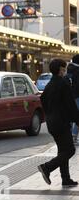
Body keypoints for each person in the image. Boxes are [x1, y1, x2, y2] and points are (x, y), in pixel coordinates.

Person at [38, 59, 79, 187]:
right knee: (70, 150)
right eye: (64, 68)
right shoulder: (63, 83)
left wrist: (50, 114)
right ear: (60, 69)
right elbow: (70, 105)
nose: (65, 70)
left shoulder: (50, 84)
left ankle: (65, 179)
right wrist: (77, 120)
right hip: (61, 122)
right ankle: (47, 167)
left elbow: (42, 100)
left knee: (63, 150)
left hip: (52, 122)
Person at [66, 54, 79, 144]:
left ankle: (69, 136)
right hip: (77, 96)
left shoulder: (69, 70)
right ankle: (74, 135)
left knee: (70, 116)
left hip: (68, 96)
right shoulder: (78, 70)